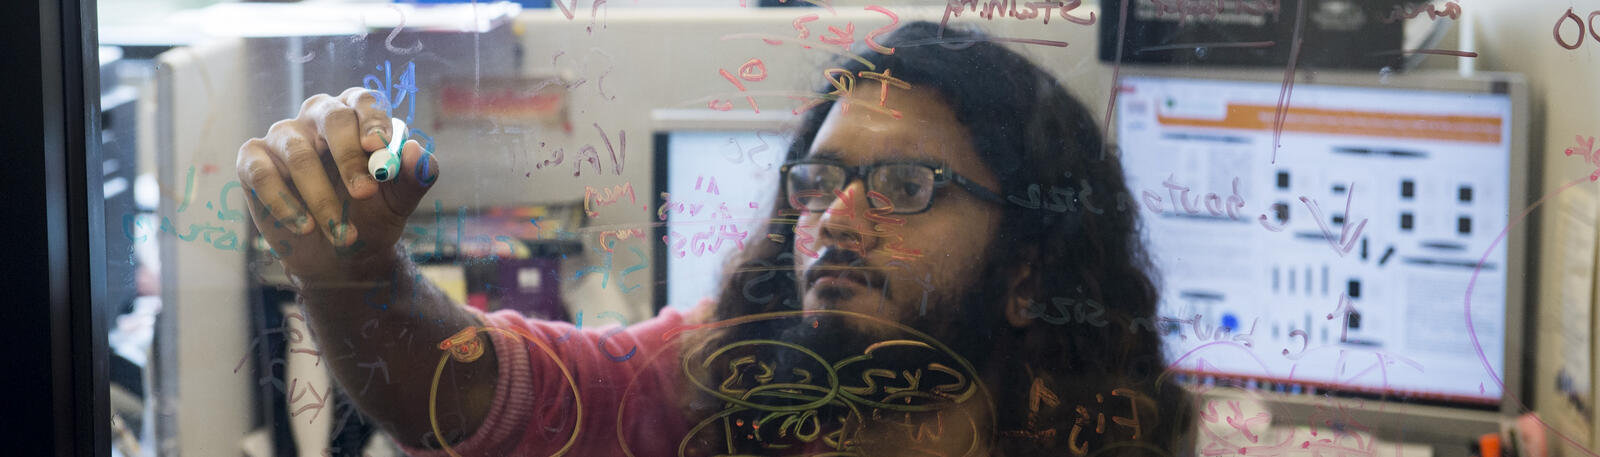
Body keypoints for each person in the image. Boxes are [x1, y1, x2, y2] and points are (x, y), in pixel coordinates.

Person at [236, 21, 1193, 457]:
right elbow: (485, 394)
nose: (835, 221)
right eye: (819, 182)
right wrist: (356, 271)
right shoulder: (717, 376)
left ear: (1031, 270)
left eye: (906, 187)